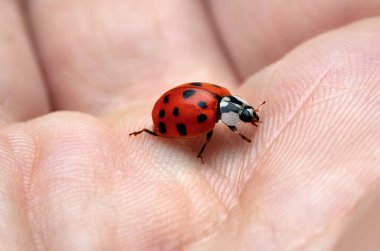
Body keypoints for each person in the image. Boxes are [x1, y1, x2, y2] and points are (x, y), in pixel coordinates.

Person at [0, 1, 379, 250]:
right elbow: (213, 127)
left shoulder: (223, 102)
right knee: (201, 135)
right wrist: (225, 138)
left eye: (246, 114)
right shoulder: (216, 116)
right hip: (164, 118)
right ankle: (149, 134)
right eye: (245, 115)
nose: (246, 117)